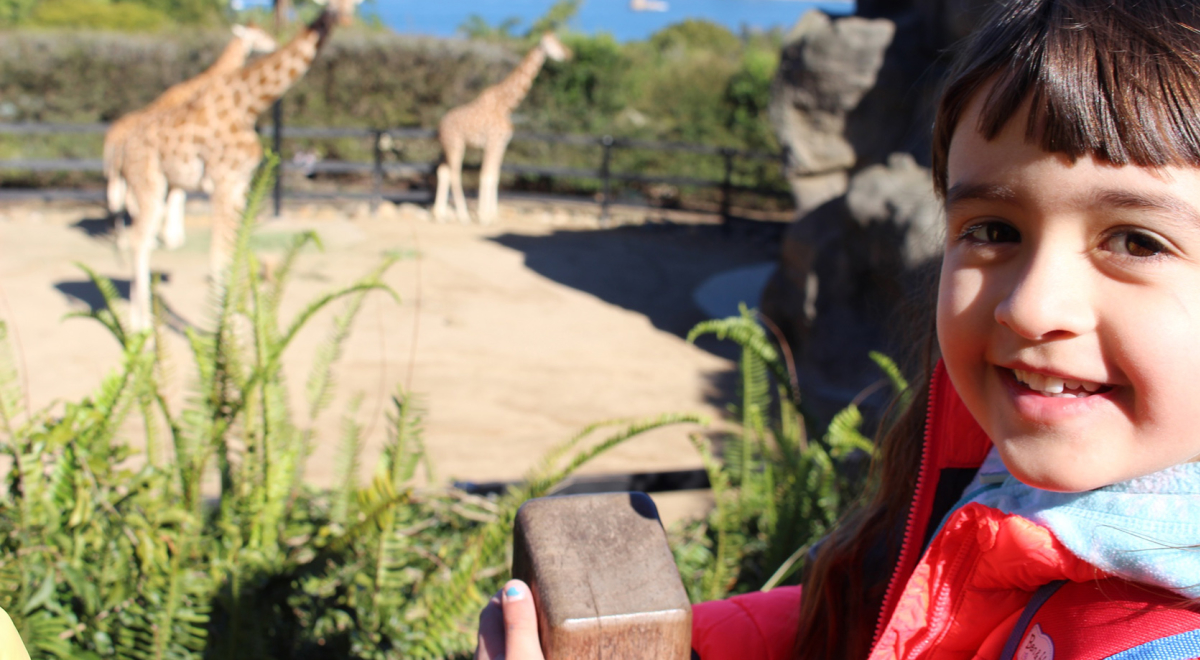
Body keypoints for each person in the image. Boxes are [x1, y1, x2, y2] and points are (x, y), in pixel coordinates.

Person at [475, 0, 1200, 658]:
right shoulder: (995, 475)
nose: (1031, 307)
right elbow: (898, 616)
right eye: (992, 229)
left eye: (1136, 242)